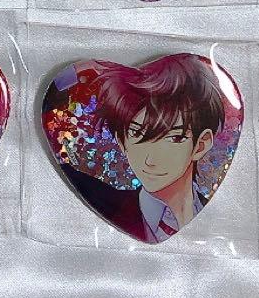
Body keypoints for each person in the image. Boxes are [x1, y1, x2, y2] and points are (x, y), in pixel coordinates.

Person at [57, 54, 225, 242]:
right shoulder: (107, 202)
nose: (150, 160)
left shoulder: (222, 214)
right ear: (122, 142)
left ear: (201, 145)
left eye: (174, 138)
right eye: (137, 134)